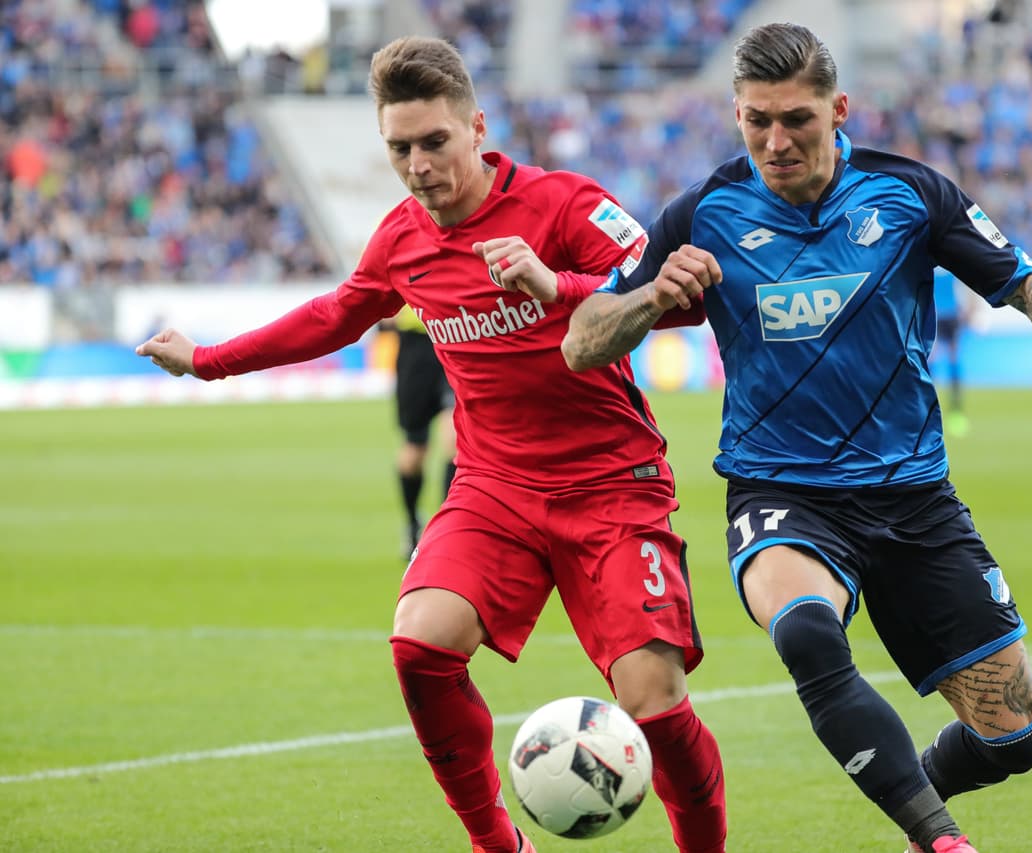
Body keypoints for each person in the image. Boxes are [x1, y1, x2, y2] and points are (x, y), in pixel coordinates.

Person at [136, 36, 727, 853]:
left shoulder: (564, 205)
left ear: (477, 127)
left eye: (434, 142)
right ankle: (495, 843)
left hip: (611, 486)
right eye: (399, 148)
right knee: (419, 645)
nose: (418, 164)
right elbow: (331, 316)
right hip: (495, 489)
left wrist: (561, 285)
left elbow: (674, 292)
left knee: (654, 701)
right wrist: (207, 360)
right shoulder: (401, 239)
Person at [559, 22, 1032, 853]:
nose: (775, 141)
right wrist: (648, 300)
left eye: (796, 120)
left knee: (1016, 737)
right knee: (806, 631)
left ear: (840, 110)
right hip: (780, 491)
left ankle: (910, 787)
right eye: (756, 120)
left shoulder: (909, 194)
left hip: (913, 498)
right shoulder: (704, 211)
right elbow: (580, 341)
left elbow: (1029, 279)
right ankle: (939, 839)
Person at [386, 303, 457, 559]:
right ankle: (412, 521)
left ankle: (448, 529)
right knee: (414, 450)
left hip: (455, 335)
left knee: (456, 440)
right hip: (415, 346)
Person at [931, 266, 970, 437]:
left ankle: (929, 401)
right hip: (951, 313)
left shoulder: (929, 267)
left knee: (933, 356)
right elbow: (961, 289)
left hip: (937, 313)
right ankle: (955, 404)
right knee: (953, 357)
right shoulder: (949, 266)